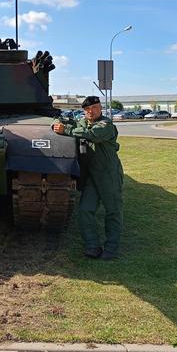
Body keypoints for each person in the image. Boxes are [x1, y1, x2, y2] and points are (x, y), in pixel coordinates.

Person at [52, 96, 123, 260]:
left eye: (95, 108)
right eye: (88, 109)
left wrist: (67, 130)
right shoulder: (83, 122)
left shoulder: (106, 125)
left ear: (101, 109)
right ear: (84, 111)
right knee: (85, 210)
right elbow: (66, 121)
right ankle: (92, 246)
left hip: (108, 174)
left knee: (113, 211)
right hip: (92, 176)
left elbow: (92, 135)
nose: (91, 111)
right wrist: (56, 123)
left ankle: (111, 248)